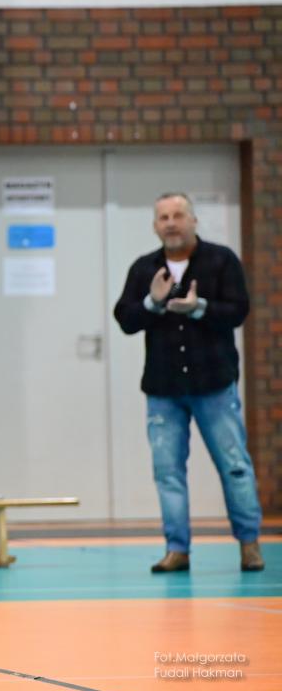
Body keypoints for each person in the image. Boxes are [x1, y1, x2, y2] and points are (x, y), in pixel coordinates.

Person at [113, 192, 263, 573]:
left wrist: (199, 308)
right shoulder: (144, 269)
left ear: (194, 220)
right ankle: (176, 548)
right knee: (167, 472)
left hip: (214, 384)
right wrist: (152, 303)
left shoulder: (221, 261)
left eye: (178, 215)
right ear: (155, 226)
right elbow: (125, 318)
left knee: (234, 465)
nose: (171, 223)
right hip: (163, 389)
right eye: (163, 217)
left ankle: (249, 544)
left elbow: (238, 310)